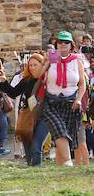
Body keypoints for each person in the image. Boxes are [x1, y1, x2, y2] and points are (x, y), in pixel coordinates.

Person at [39, 31, 86, 166]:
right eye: (60, 42)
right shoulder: (52, 58)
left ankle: (61, 167)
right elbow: (38, 76)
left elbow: (82, 83)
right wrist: (45, 61)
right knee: (60, 130)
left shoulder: (77, 61)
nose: (63, 44)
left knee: (66, 135)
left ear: (71, 45)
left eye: (66, 42)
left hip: (70, 102)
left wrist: (78, 99)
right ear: (56, 44)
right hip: (51, 102)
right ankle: (68, 162)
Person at [0, 54, 46, 165]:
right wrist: (4, 81)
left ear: (42, 65)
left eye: (35, 65)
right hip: (28, 115)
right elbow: (13, 93)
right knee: (27, 145)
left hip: (43, 116)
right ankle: (31, 168)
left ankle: (36, 169)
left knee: (36, 145)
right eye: (30, 65)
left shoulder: (47, 79)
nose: (32, 67)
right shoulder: (26, 80)